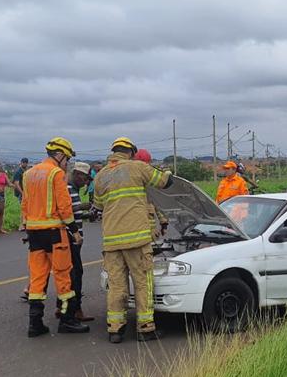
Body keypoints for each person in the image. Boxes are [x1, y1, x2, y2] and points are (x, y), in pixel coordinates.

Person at [93, 137, 173, 343]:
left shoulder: (101, 176)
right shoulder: (138, 167)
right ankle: (145, 328)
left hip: (111, 241)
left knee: (116, 286)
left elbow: (99, 206)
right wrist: (168, 172)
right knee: (142, 282)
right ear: (130, 152)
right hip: (137, 239)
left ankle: (115, 330)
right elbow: (164, 182)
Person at [21, 138, 88, 336]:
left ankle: (35, 324)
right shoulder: (56, 173)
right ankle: (67, 321)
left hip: (34, 233)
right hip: (54, 233)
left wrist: (28, 227)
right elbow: (64, 207)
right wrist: (74, 231)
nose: (67, 163)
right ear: (59, 155)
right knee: (64, 275)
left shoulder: (29, 174)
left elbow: (24, 205)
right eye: (67, 159)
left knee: (38, 278)